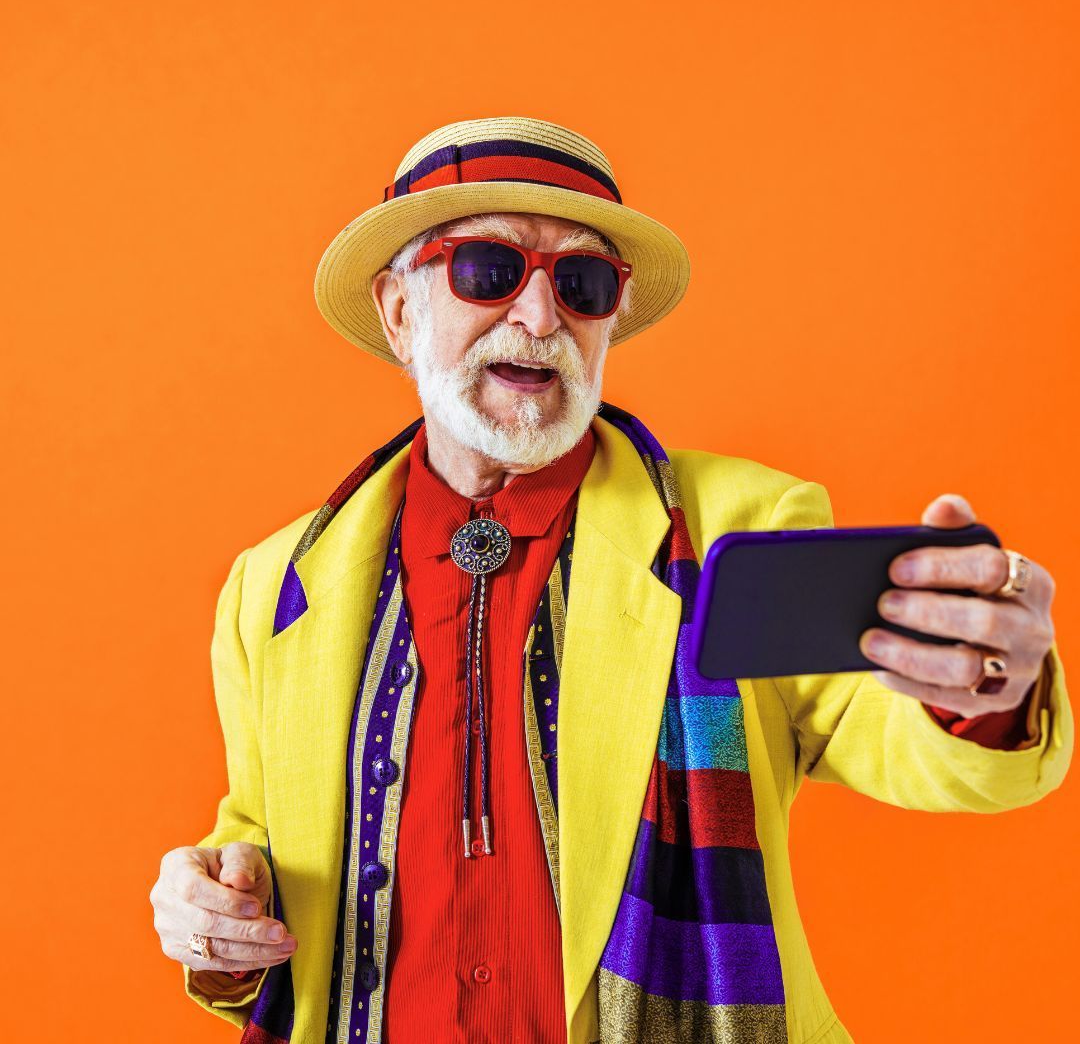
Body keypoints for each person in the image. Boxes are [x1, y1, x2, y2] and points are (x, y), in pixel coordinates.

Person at [150, 117, 1071, 1044]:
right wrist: (215, 913)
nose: (540, 318)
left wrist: (983, 683)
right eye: (488, 270)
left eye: (582, 284)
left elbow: (889, 727)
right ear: (398, 308)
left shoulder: (732, 533)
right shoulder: (271, 588)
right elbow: (260, 842)